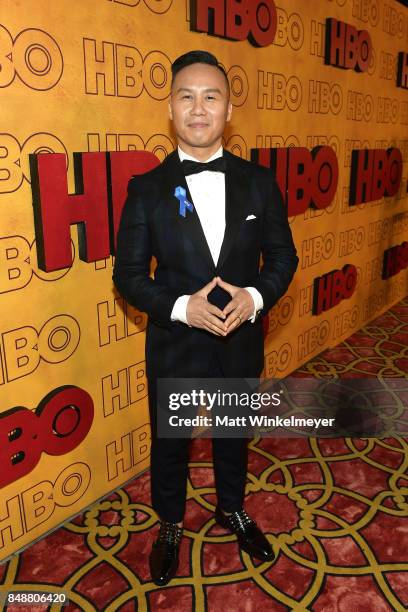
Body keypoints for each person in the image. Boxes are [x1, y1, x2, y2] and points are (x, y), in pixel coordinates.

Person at [112, 50, 298, 586]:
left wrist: (256, 298)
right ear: (170, 109)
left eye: (211, 96)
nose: (199, 108)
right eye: (187, 97)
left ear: (228, 108)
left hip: (241, 341)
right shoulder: (145, 189)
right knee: (170, 441)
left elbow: (282, 258)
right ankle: (170, 523)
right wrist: (179, 307)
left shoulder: (260, 182)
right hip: (175, 344)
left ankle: (232, 508)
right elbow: (127, 275)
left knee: (233, 432)